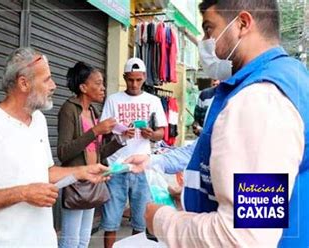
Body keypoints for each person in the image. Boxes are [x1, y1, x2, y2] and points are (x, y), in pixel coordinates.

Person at [125, 1, 309, 247]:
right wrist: (192, 194)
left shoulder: (260, 100)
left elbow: (244, 236)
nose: (205, 42)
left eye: (209, 29)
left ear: (242, 24)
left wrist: (160, 219)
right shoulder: (289, 76)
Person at [0, 48, 110, 248]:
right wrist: (24, 193)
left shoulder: (38, 120)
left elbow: (45, 172)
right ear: (23, 83)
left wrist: (82, 171)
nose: (53, 86)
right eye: (46, 79)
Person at [100, 58, 167, 248]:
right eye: (130, 80)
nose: (134, 84)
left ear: (144, 77)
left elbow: (161, 132)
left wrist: (151, 134)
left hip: (142, 167)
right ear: (124, 78)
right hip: (116, 166)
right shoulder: (113, 100)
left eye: (138, 80)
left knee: (140, 221)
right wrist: (121, 132)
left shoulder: (153, 101)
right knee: (110, 221)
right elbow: (103, 130)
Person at [57, 62, 124, 248]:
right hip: (75, 182)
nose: (103, 88)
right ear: (83, 87)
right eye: (98, 83)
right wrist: (95, 130)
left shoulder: (93, 112)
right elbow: (63, 152)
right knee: (70, 242)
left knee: (83, 241)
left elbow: (97, 153)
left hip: (92, 181)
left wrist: (120, 140)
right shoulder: (69, 110)